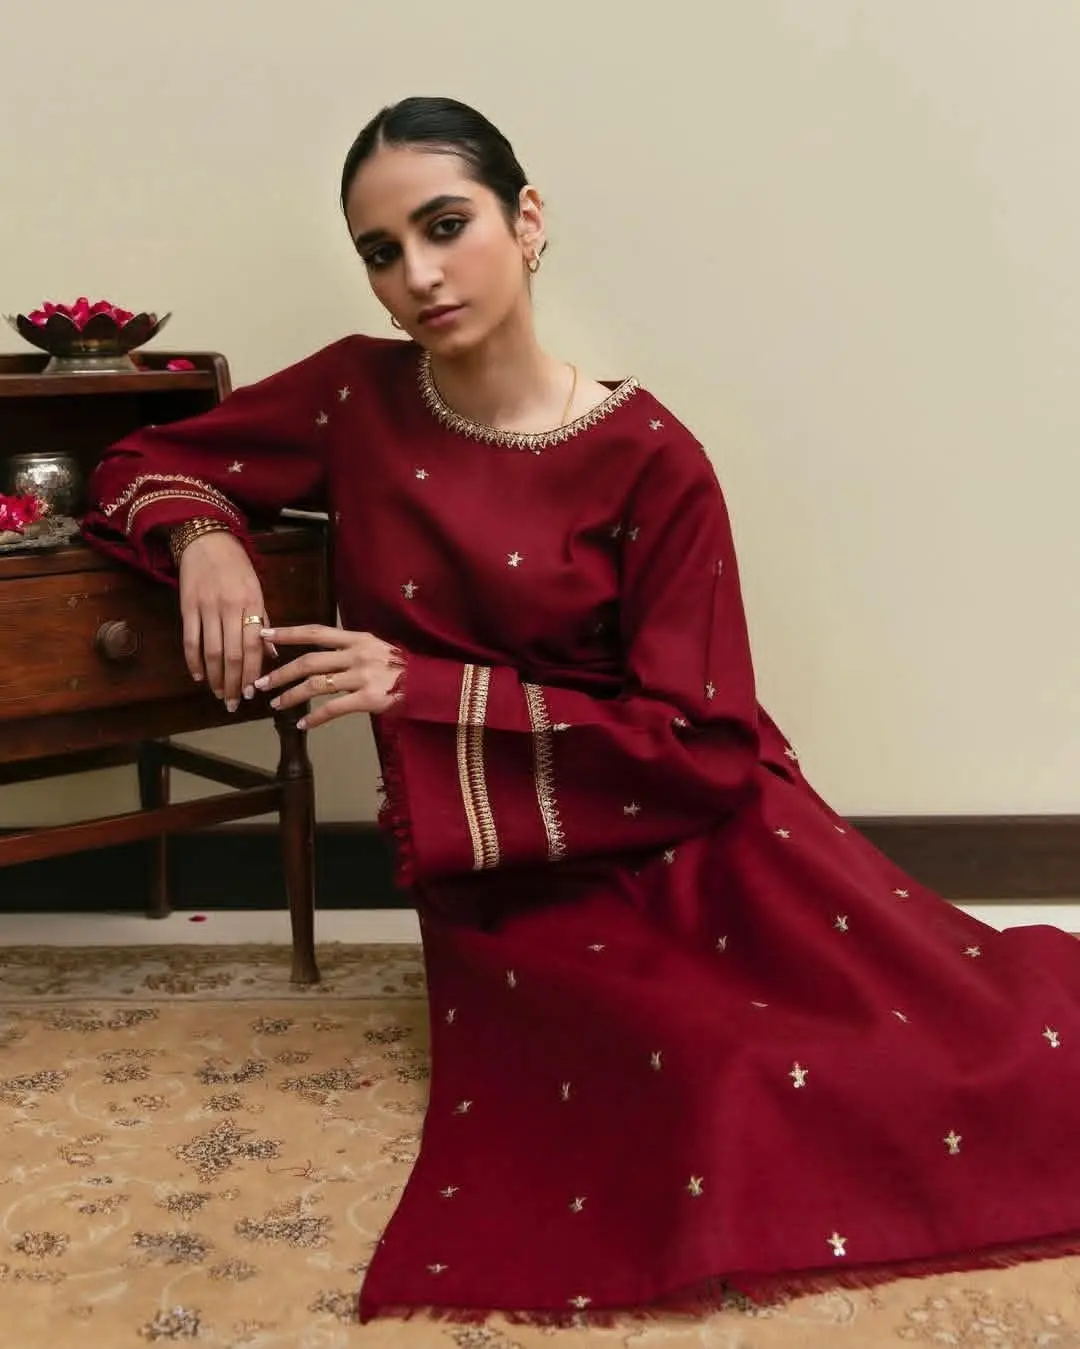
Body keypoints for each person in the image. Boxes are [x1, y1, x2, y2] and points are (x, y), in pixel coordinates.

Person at [81, 95, 1080, 1326]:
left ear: (528, 219)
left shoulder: (654, 459)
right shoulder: (355, 397)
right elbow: (138, 462)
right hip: (503, 862)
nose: (418, 274)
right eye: (382, 251)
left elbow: (704, 741)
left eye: (446, 225)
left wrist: (416, 685)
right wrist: (207, 542)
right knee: (712, 1076)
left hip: (701, 824)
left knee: (958, 1050)